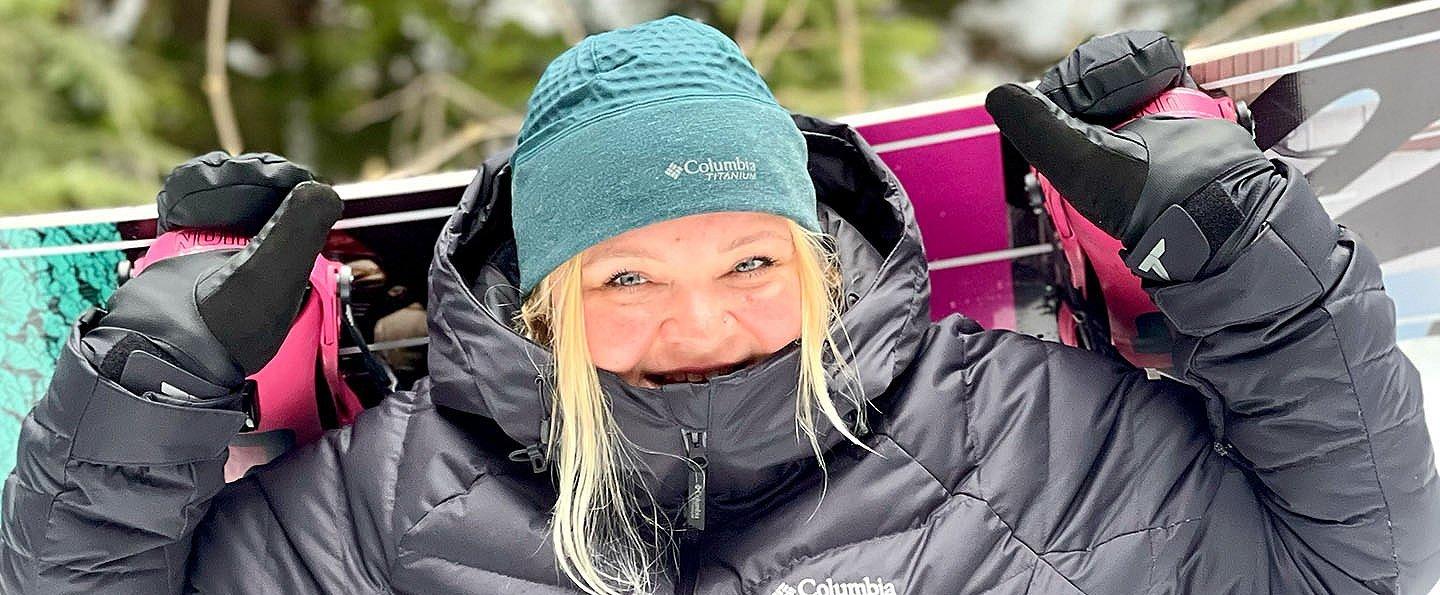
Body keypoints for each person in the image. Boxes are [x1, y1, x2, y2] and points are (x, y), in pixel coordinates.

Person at [3, 15, 1438, 595]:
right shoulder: (375, 515)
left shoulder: (1039, 436)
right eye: (624, 277)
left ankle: (1137, 276)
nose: (699, 327)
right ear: (541, 301)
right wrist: (146, 395)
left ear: (820, 256)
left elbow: (1359, 568)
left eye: (752, 262)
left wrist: (1251, 263)